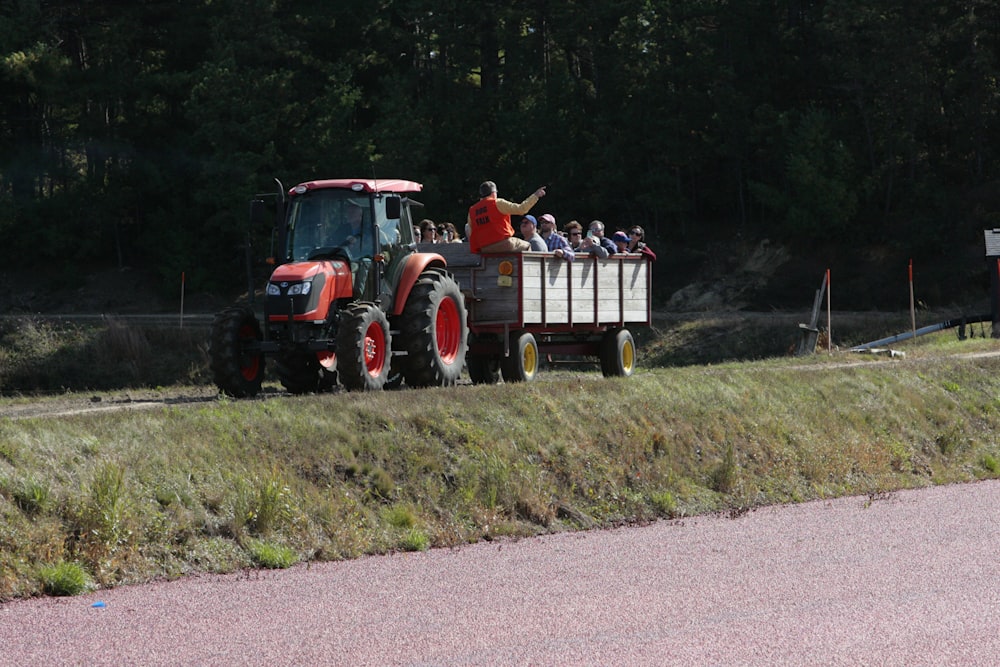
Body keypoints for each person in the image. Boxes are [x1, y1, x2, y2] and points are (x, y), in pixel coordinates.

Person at [467, 181, 546, 253]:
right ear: (494, 193)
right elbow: (522, 209)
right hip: (503, 244)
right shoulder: (497, 203)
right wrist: (535, 196)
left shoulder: (472, 210)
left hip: (484, 248)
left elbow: (470, 231)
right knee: (527, 246)